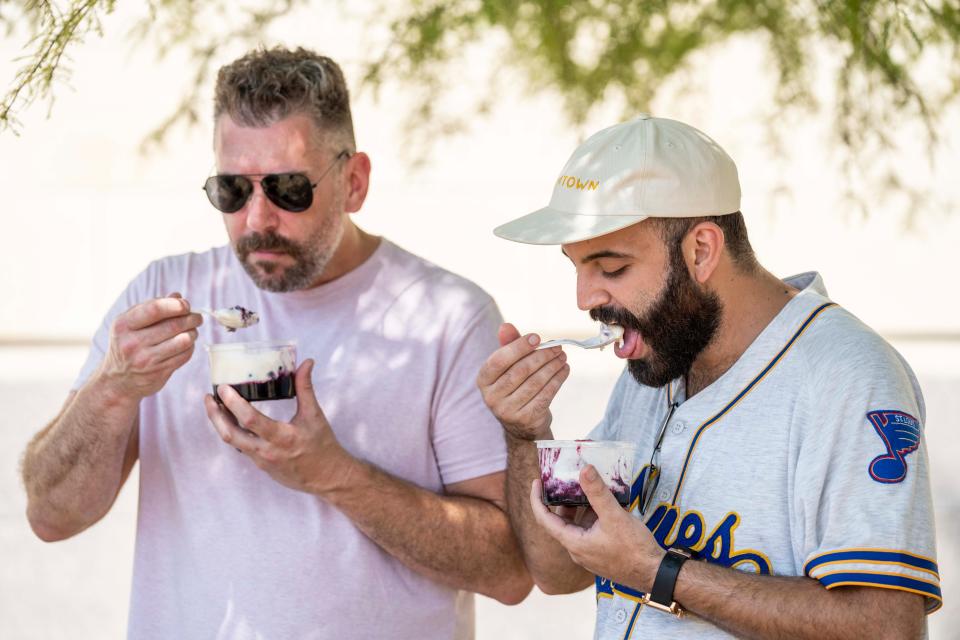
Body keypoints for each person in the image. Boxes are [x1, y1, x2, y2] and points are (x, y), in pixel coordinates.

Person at [21, 46, 531, 638]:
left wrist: (332, 473)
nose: (257, 219)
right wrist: (112, 389)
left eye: (288, 189)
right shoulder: (165, 293)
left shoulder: (447, 317)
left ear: (354, 181)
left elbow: (510, 570)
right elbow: (51, 517)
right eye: (232, 191)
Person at [477, 115, 941, 638]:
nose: (585, 299)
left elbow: (887, 626)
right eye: (576, 266)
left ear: (701, 250)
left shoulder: (848, 375)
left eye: (612, 268)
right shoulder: (656, 359)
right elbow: (557, 571)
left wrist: (659, 573)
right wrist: (525, 432)